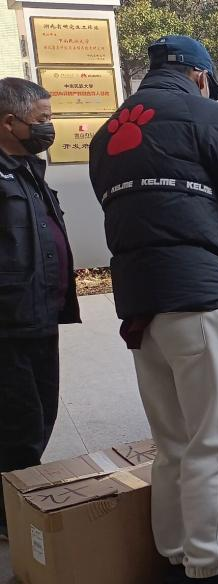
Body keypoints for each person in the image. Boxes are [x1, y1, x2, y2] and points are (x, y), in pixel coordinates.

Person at [88, 36, 218, 584]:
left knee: (174, 441)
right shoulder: (211, 116)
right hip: (199, 295)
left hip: (139, 303)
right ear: (201, 76)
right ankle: (207, 565)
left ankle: (176, 556)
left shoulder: (107, 133)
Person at [0, 78, 80, 540]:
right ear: (9, 122)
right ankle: (11, 517)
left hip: (40, 315)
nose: (49, 127)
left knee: (41, 413)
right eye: (42, 119)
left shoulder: (29, 168)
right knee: (20, 423)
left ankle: (16, 501)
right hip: (8, 323)